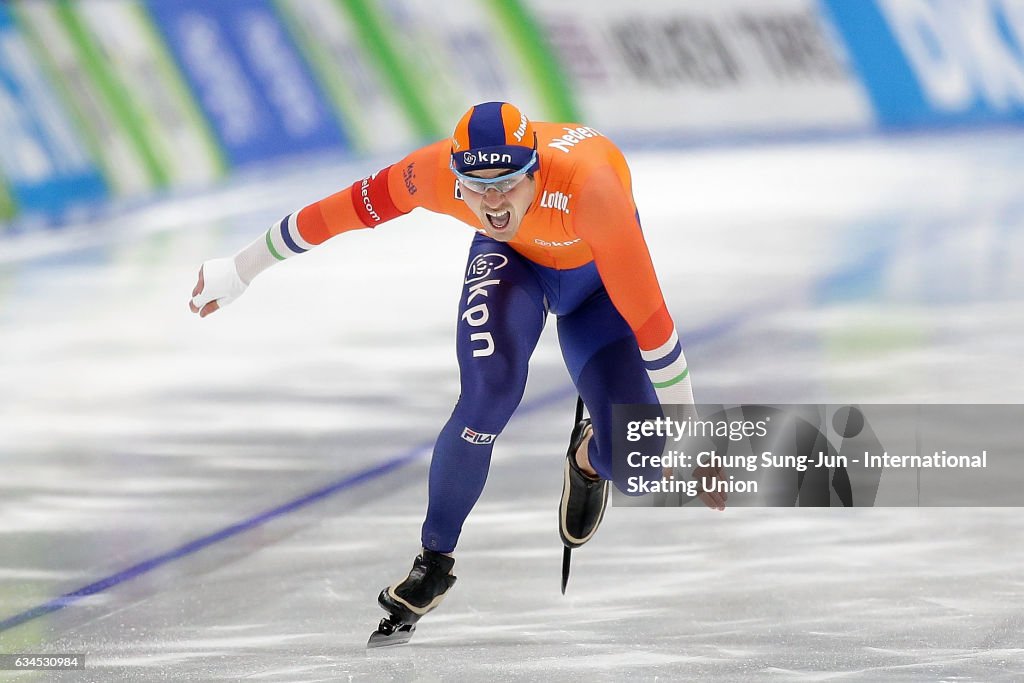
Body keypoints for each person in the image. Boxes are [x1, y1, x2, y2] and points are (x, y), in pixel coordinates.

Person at [189, 102, 723, 641]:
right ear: (455, 177)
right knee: (488, 395)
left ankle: (588, 458)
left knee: (644, 466)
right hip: (514, 263)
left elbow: (652, 323)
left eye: (509, 183)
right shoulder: (431, 173)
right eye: (476, 185)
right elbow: (339, 212)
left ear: (535, 169)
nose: (492, 202)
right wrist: (240, 268)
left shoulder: (593, 190)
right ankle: (433, 563)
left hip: (599, 290)